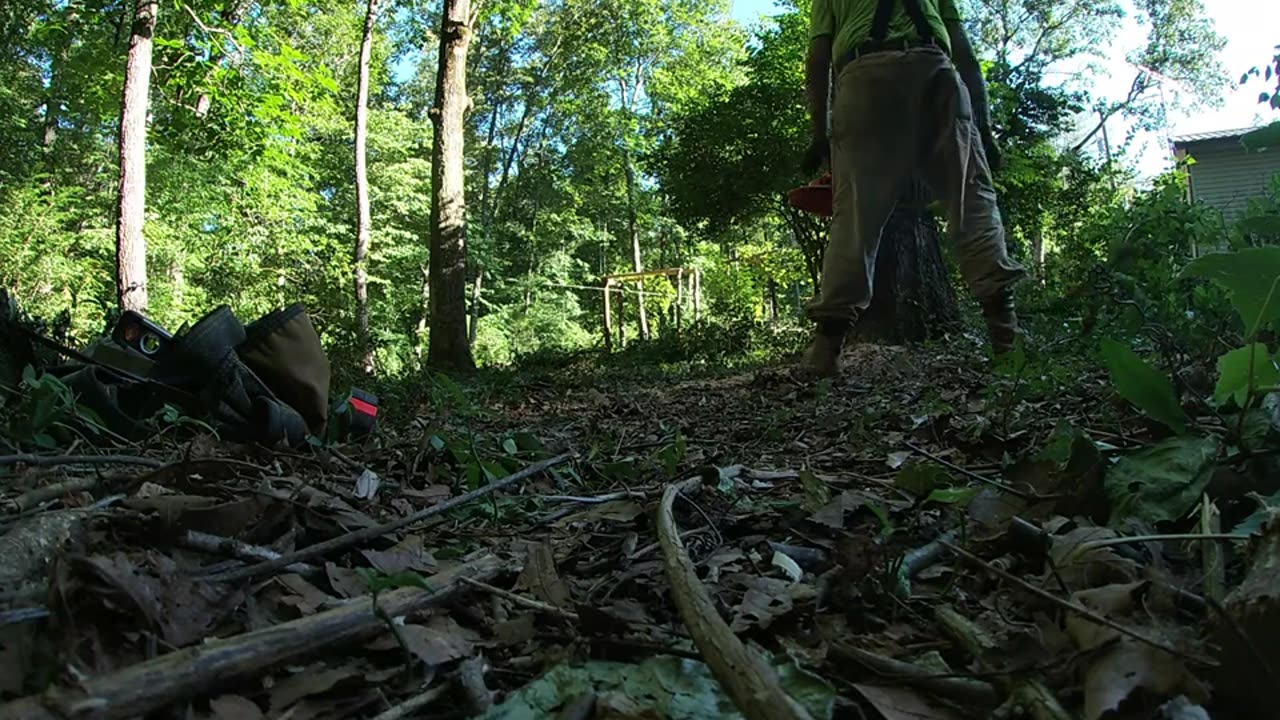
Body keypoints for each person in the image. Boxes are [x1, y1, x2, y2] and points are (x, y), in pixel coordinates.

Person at [800, 0, 1025, 377]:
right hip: (934, 72)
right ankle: (1007, 337)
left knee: (854, 219)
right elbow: (965, 55)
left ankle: (825, 350)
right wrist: (984, 130)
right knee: (972, 201)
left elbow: (817, 58)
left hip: (864, 80)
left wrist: (818, 133)